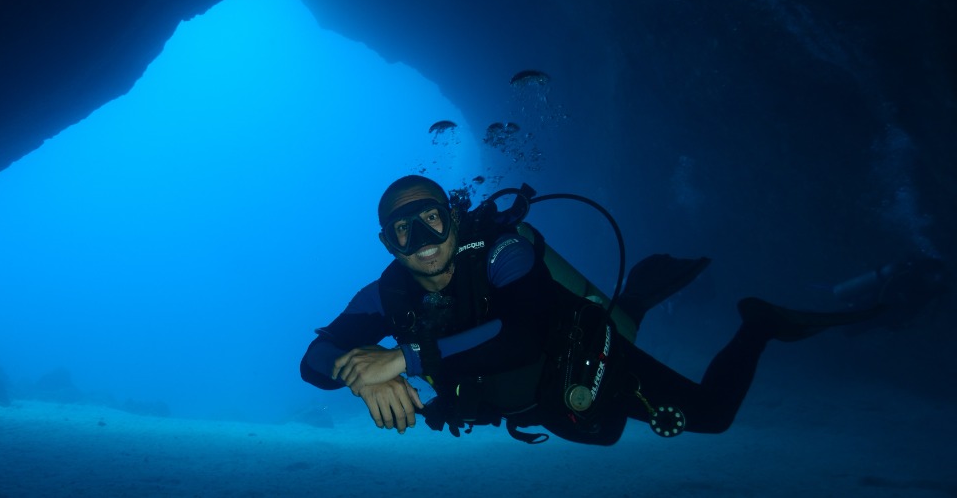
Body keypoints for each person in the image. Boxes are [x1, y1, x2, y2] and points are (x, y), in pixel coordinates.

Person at [299, 175, 881, 444]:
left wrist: (400, 360)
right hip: (535, 400)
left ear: (453, 218)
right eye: (403, 229)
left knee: (712, 415)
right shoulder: (385, 294)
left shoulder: (502, 251)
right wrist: (363, 374)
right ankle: (637, 299)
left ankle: (759, 324)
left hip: (583, 359)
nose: (422, 239)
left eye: (431, 218)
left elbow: (524, 335)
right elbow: (314, 359)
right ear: (387, 244)